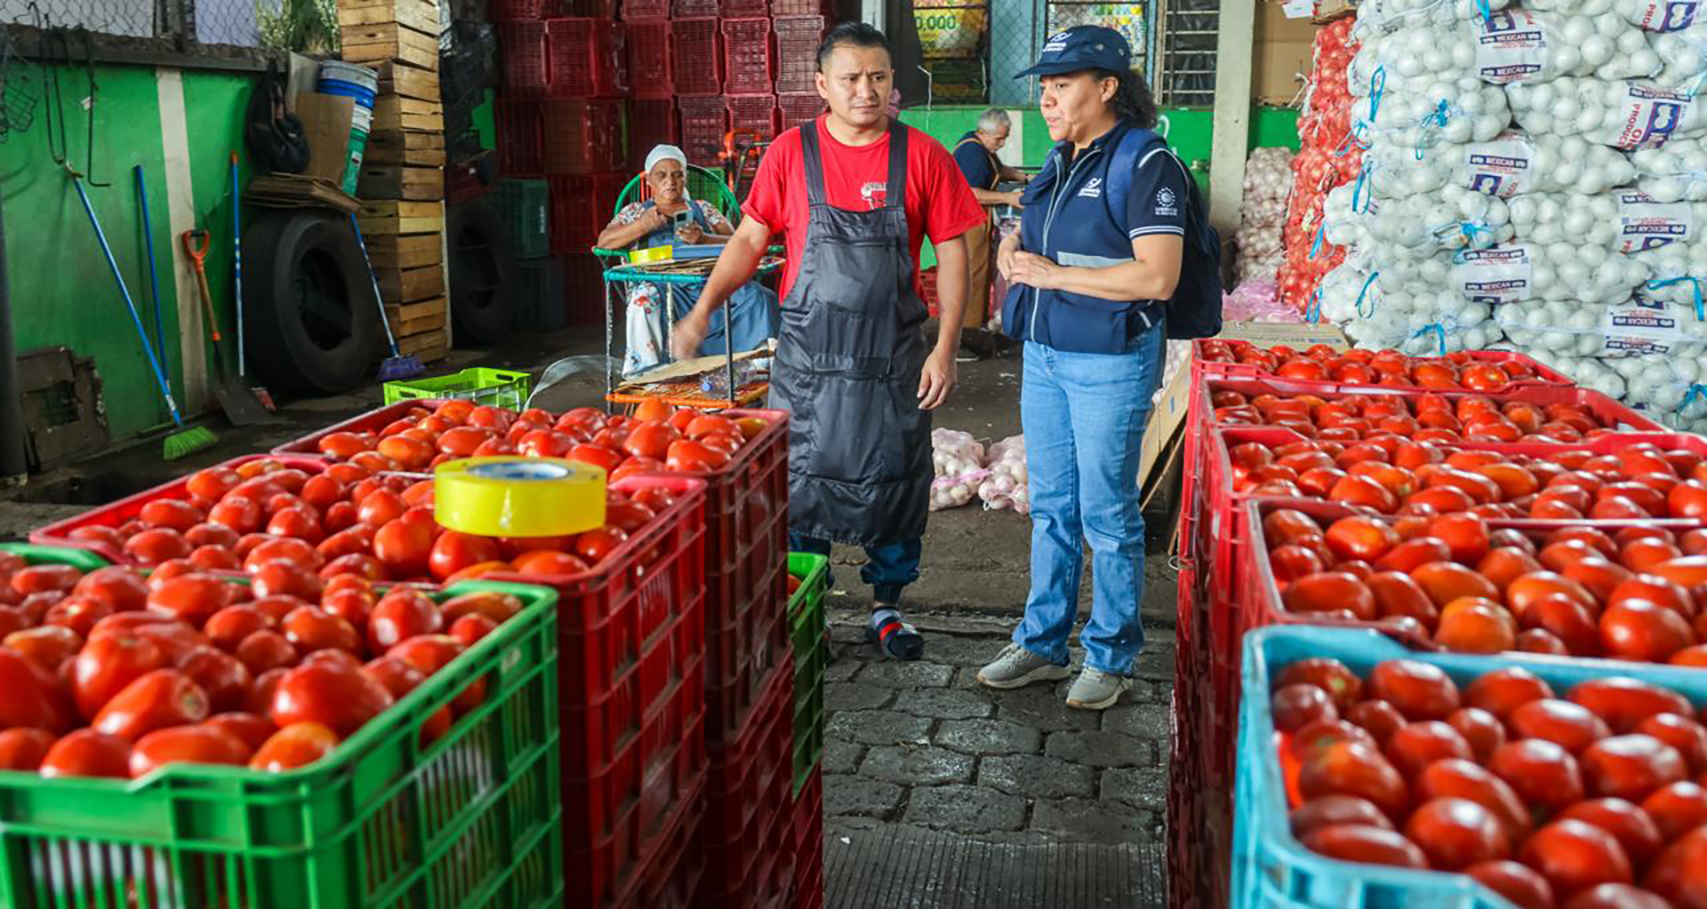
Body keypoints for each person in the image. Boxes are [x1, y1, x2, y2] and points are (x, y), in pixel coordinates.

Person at [671, 22, 985, 660]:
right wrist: (703, 308)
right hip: (808, 363)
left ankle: (888, 607)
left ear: (893, 82)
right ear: (822, 85)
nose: (866, 91)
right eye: (851, 78)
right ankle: (804, 600)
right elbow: (750, 240)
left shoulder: (923, 156)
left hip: (893, 361)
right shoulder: (791, 153)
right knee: (801, 484)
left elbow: (955, 255)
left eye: (878, 77)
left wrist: (945, 345)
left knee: (896, 480)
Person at [975, 26, 1185, 710]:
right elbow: (1032, 235)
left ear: (1106, 87)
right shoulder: (1060, 161)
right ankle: (1041, 642)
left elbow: (1157, 276)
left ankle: (1111, 654)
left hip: (1107, 361)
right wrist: (1012, 246)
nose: (1046, 99)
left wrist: (1052, 273)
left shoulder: (1143, 162)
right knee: (1052, 508)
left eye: (1061, 85)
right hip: (1043, 355)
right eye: (1042, 86)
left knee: (1106, 512)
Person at [595, 144, 779, 377]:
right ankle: (652, 379)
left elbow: (738, 241)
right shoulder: (635, 212)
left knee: (760, 297)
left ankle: (752, 372)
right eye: (661, 175)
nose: (670, 182)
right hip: (661, 287)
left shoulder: (703, 209)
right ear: (648, 180)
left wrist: (704, 238)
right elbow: (603, 242)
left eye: (677, 175)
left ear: (685, 178)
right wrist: (642, 226)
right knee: (643, 302)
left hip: (708, 285)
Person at [950, 109, 1029, 357]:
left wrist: (1023, 176)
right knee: (973, 274)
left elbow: (997, 167)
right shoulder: (971, 152)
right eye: (998, 139)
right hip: (967, 220)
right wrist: (1009, 197)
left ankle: (977, 329)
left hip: (976, 219)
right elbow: (970, 192)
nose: (1002, 144)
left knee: (981, 273)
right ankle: (968, 334)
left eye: (1005, 138)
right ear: (983, 133)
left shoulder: (980, 146)